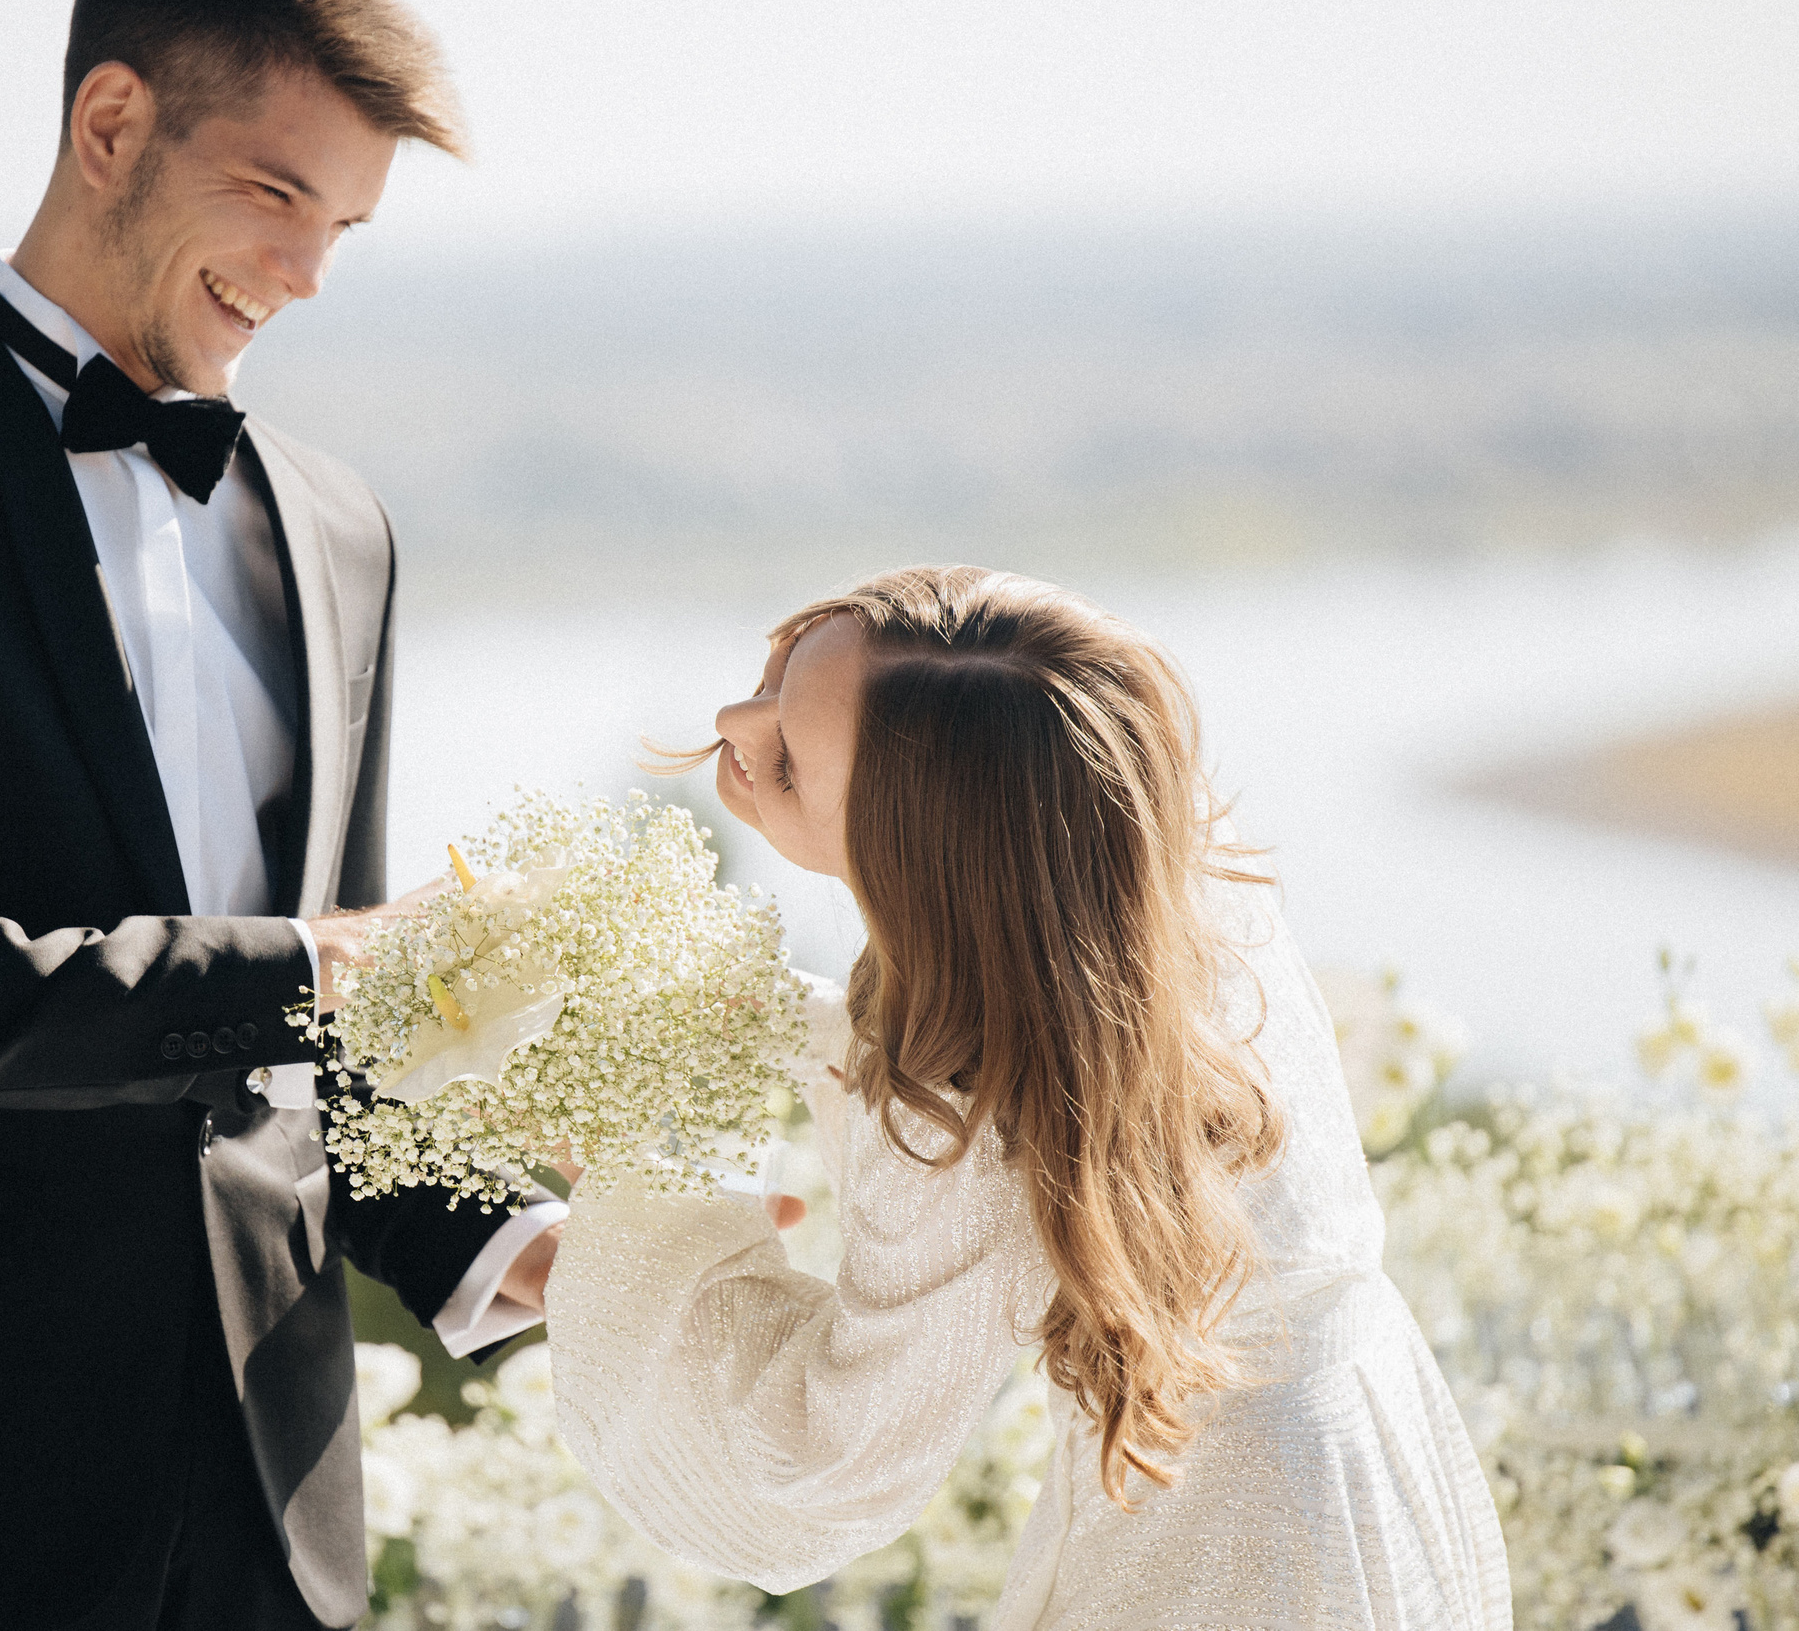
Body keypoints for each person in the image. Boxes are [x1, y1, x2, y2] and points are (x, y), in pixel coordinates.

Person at [0, 0, 562, 1628]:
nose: (306, 272)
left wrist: (511, 1244)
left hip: (270, 1521)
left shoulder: (342, 531)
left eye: (345, 227)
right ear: (110, 124)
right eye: (276, 195)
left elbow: (323, 1051)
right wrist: (318, 967)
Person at [545, 565, 1512, 1629]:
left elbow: (820, 1454)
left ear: (915, 850)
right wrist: (746, 1016)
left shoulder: (972, 1109)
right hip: (1366, 1465)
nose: (734, 724)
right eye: (775, 674)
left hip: (1220, 1552)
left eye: (790, 757)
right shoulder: (1126, 855)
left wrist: (645, 1195)